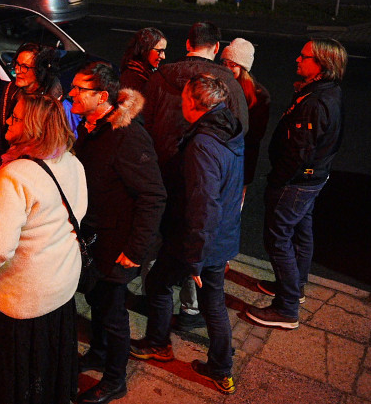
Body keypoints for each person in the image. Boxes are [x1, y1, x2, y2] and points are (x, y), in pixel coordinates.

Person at [131, 74, 244, 395]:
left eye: (183, 98)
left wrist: (195, 258)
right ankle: (221, 368)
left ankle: (158, 343)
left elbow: (203, 205)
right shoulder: (228, 128)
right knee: (213, 301)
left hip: (197, 240)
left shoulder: (203, 146)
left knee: (158, 283)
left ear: (194, 104)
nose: (179, 102)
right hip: (219, 237)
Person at [0, 93, 87, 404]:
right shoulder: (70, 160)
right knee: (50, 364)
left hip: (25, 296)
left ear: (34, 127)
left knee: (20, 374)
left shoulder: (13, 176)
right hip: (61, 285)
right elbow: (78, 212)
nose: (8, 121)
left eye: (16, 117)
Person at [69, 62, 166, 404]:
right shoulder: (90, 128)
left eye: (79, 89)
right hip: (95, 239)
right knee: (96, 301)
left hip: (117, 245)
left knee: (113, 313)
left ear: (102, 97)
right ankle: (98, 353)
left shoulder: (127, 136)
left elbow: (153, 195)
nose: (71, 94)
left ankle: (114, 380)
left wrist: (135, 251)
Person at [141, 21, 248, 331]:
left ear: (187, 43)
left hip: (163, 175)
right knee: (194, 235)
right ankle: (190, 308)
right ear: (216, 48)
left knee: (159, 243)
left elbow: (146, 126)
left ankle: (153, 303)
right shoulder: (228, 84)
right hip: (204, 179)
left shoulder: (161, 77)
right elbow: (239, 134)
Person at [246, 39, 347, 330]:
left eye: (304, 57)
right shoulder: (327, 91)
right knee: (301, 232)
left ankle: (287, 307)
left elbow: (298, 152)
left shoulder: (315, 102)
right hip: (313, 178)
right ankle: (294, 286)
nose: (297, 60)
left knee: (278, 239)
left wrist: (277, 181)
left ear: (322, 64)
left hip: (297, 182)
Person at [0, 43, 63, 172]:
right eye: (17, 64)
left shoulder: (50, 101)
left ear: (40, 70)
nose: (17, 70)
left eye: (25, 67)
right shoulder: (11, 90)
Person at [220, 38, 271, 197]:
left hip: (241, 160)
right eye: (225, 63)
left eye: (232, 64)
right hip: (219, 157)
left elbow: (256, 135)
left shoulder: (259, 95)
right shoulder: (218, 86)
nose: (227, 68)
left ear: (243, 67)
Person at [119, 27, 167, 94]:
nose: (163, 56)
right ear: (144, 50)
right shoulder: (133, 77)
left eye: (163, 51)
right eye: (159, 51)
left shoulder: (147, 73)